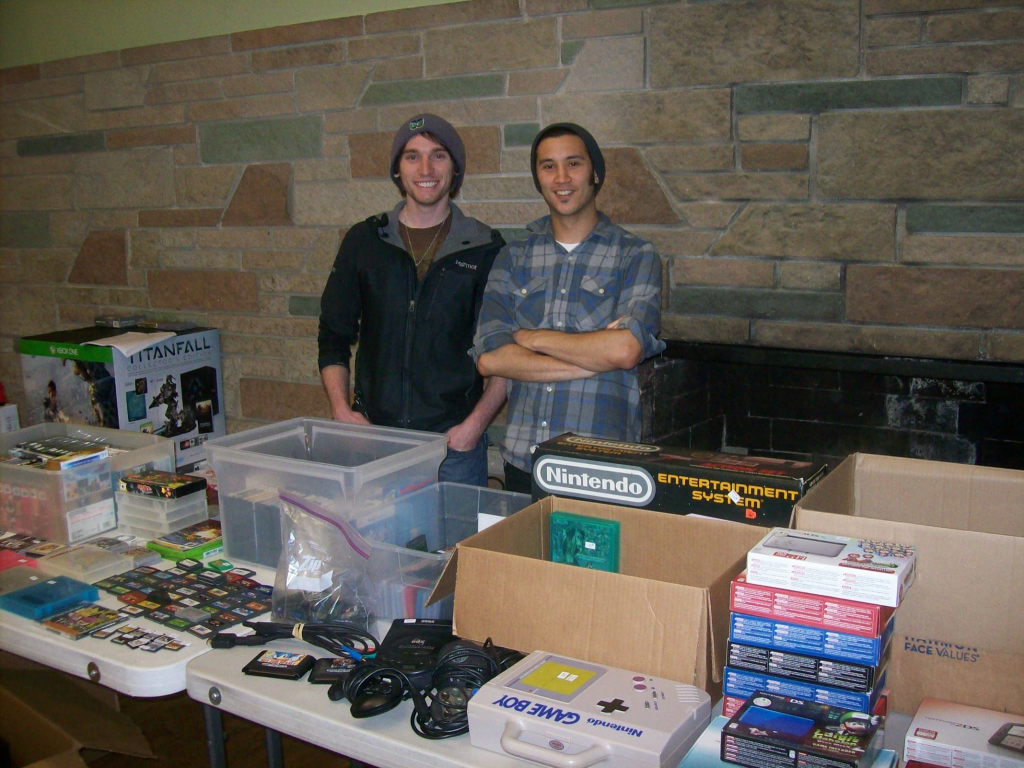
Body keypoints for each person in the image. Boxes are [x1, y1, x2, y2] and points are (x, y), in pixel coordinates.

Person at [472, 123, 666, 494]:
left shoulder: (635, 255)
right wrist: (594, 357)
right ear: (538, 178)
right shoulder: (513, 258)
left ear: (594, 172)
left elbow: (626, 350)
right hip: (523, 462)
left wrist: (531, 337)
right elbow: (491, 360)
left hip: (601, 467)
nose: (561, 177)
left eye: (573, 163)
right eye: (548, 166)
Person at [318, 114, 506, 486]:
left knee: (457, 547)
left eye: (438, 156)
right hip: (374, 444)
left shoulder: (486, 247)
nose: (426, 168)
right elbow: (333, 335)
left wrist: (474, 426)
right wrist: (341, 410)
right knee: (374, 545)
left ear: (455, 170)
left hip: (453, 448)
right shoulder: (365, 241)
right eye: (412, 156)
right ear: (397, 171)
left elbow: (506, 353)